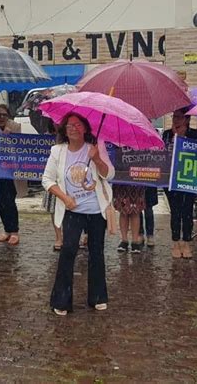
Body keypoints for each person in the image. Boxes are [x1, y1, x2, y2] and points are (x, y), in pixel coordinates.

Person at [42, 112, 115, 316]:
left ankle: (98, 297)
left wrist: (98, 159)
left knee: (96, 252)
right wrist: (65, 198)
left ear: (85, 128)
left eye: (76, 125)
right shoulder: (57, 151)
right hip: (72, 210)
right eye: (68, 125)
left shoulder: (95, 147)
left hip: (95, 209)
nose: (72, 128)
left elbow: (109, 174)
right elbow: (47, 180)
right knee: (68, 250)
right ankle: (61, 299)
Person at [163, 107, 197, 259]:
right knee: (175, 211)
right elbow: (163, 153)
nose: (175, 119)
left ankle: (186, 241)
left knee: (187, 211)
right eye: (174, 116)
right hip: (170, 179)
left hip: (188, 178)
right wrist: (174, 138)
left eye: (179, 117)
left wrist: (182, 138)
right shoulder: (167, 134)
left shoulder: (194, 134)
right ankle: (175, 241)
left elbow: (196, 154)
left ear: (186, 119)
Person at [0, 104, 22, 246]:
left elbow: (20, 147)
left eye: (4, 114)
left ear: (8, 116)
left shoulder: (15, 128)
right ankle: (6, 229)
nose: (1, 117)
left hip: (10, 170)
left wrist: (8, 138)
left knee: (10, 200)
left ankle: (14, 230)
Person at [41, 119, 63, 251]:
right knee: (54, 210)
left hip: (68, 179)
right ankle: (59, 237)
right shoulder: (51, 138)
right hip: (54, 178)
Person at [114, 183, 145, 253]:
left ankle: (135, 242)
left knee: (135, 211)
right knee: (123, 212)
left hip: (137, 182)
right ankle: (124, 240)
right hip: (122, 182)